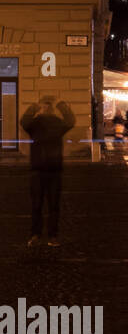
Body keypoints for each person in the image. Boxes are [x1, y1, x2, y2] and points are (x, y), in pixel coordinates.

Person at [21, 97, 76, 247]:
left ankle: (42, 235)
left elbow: (24, 122)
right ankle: (45, 235)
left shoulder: (45, 123)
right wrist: (61, 104)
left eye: (46, 107)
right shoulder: (43, 123)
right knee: (44, 205)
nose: (45, 109)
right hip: (47, 169)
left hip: (44, 169)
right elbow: (70, 121)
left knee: (47, 205)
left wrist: (34, 106)